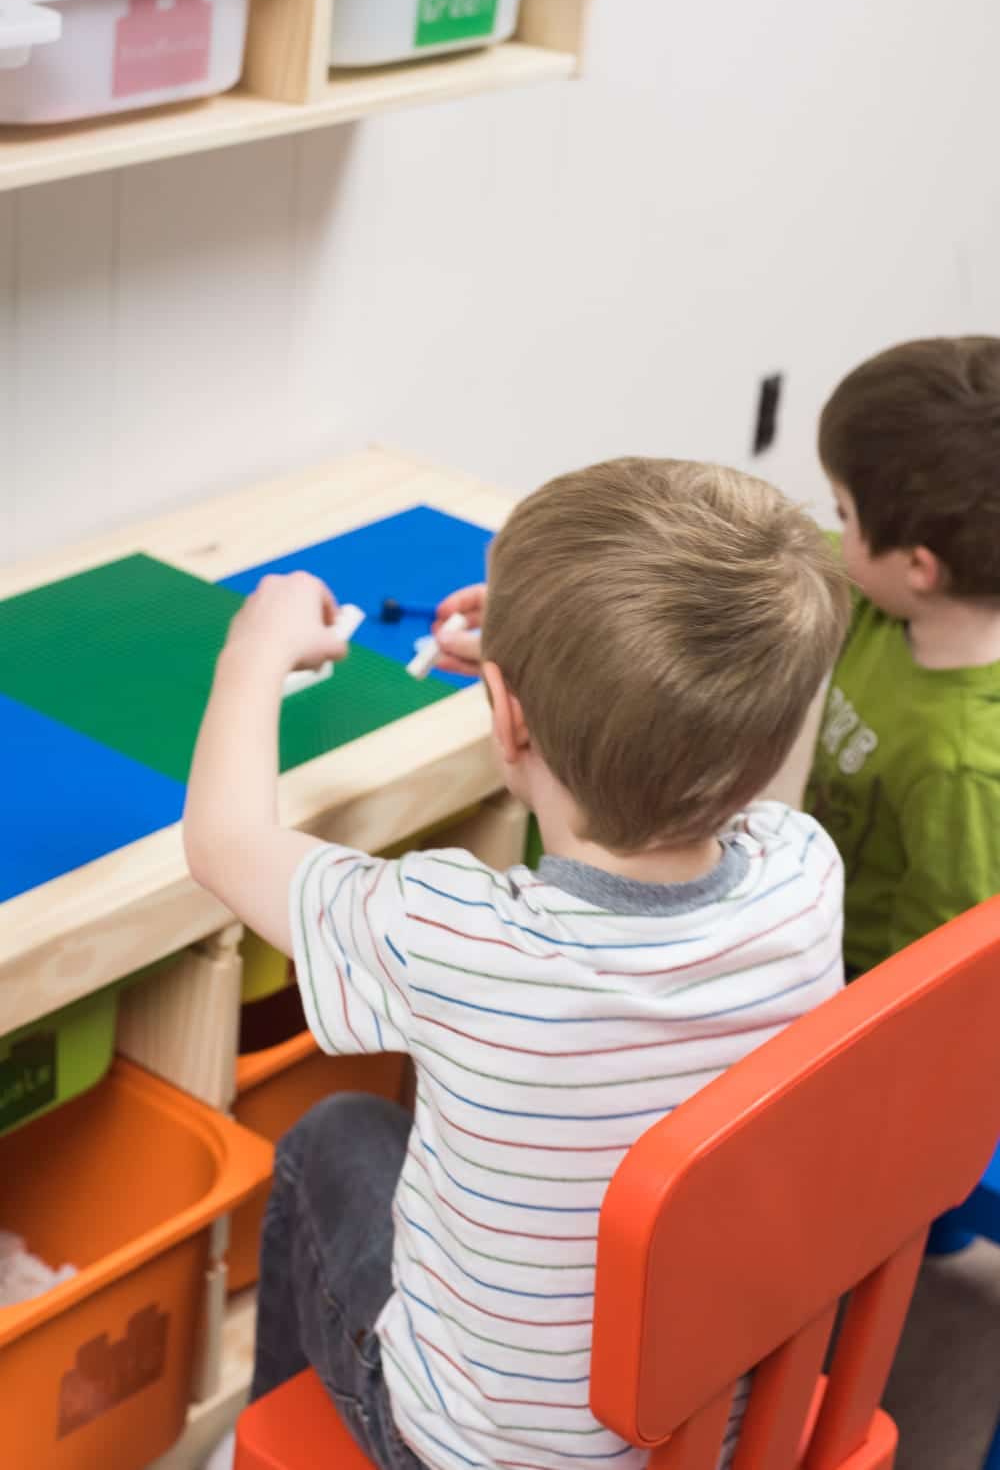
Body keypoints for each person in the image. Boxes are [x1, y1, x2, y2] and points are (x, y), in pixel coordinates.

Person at [185, 456, 849, 1470]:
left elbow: (223, 841)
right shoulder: (804, 871)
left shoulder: (456, 939)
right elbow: (718, 740)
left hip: (476, 1452)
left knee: (336, 1132)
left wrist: (253, 649)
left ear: (504, 720)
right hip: (722, 1426)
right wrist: (564, 660)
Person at [801, 337, 1000, 977]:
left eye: (844, 513)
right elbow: (774, 559)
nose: (834, 530)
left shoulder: (961, 767)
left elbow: (933, 980)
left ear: (919, 565)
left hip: (844, 986)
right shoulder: (889, 597)